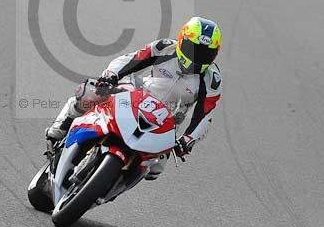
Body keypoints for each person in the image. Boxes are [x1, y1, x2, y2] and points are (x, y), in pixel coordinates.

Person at [45, 16, 222, 179]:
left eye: (205, 54)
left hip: (165, 119)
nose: (196, 57)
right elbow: (130, 60)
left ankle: (111, 185)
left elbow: (205, 116)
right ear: (182, 40)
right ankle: (60, 129)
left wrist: (187, 140)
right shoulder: (164, 48)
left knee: (155, 169)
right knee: (90, 93)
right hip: (137, 94)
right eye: (193, 49)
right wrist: (110, 76)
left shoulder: (211, 79)